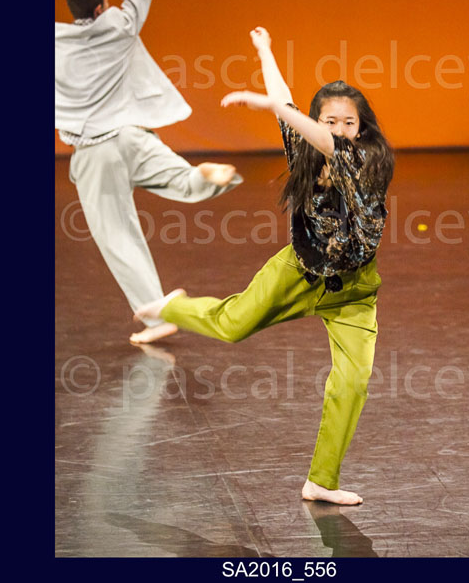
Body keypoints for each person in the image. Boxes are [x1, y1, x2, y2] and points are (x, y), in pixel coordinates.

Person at [135, 27, 395, 505]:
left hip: (353, 291)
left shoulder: (369, 160)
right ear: (316, 121)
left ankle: (321, 480)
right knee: (232, 325)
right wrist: (265, 52)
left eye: (349, 122)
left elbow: (310, 128)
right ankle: (173, 308)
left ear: (361, 129)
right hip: (298, 270)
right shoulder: (304, 147)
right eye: (330, 120)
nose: (340, 129)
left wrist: (277, 107)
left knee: (352, 382)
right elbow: (287, 105)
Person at [55, 0, 243, 345]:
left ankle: (159, 319)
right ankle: (205, 175)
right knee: (183, 181)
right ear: (101, 6)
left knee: (119, 237)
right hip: (133, 138)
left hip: (95, 154)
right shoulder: (120, 24)